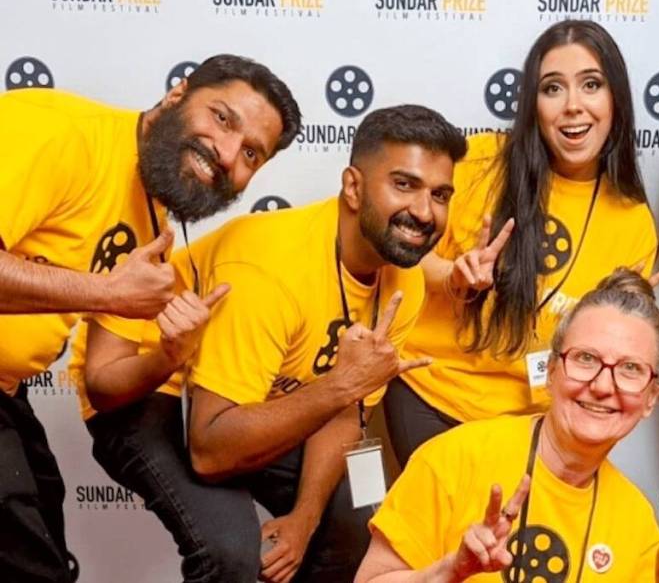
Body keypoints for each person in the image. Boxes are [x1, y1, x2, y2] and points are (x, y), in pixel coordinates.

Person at [75, 104, 465, 583]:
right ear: (354, 187)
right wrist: (341, 386)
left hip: (262, 398)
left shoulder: (405, 283)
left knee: (357, 519)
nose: (425, 213)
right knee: (230, 553)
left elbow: (343, 410)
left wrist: (304, 519)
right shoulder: (270, 269)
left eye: (440, 194)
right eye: (404, 185)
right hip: (151, 385)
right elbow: (211, 451)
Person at [0, 54, 299, 583]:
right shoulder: (62, 133)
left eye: (251, 152)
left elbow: (107, 384)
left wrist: (170, 354)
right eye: (222, 118)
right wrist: (108, 292)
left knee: (46, 529)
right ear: (177, 95)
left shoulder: (151, 223)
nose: (226, 152)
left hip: (9, 392)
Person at [383, 19, 658, 467]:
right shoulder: (479, 162)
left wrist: (636, 324)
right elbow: (401, 254)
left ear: (616, 100)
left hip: (537, 418)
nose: (573, 106)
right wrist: (454, 276)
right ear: (533, 104)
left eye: (591, 85)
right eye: (552, 89)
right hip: (433, 394)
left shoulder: (633, 220)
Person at [358, 268, 659, 582]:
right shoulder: (454, 458)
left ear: (651, 398)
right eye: (586, 359)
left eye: (630, 369)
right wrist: (446, 572)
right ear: (552, 370)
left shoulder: (636, 521)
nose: (603, 386)